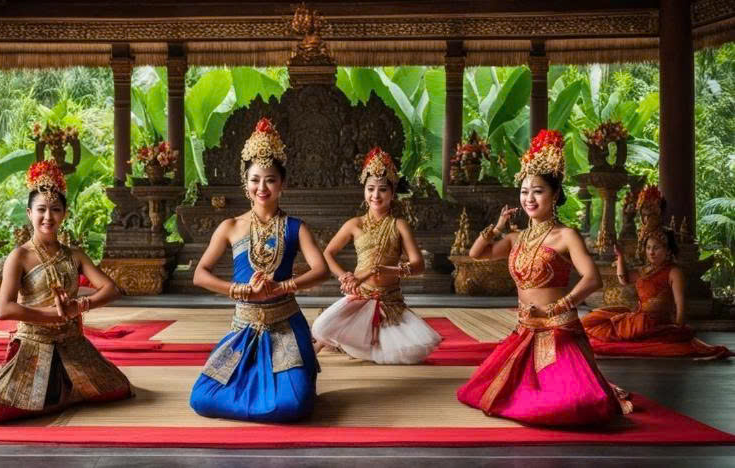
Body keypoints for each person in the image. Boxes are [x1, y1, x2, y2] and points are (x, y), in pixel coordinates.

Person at [457, 130, 631, 426]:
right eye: (524, 191)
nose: (529, 198)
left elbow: (592, 279)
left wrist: (560, 306)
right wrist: (497, 226)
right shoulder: (516, 237)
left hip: (558, 330)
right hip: (524, 328)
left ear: (555, 195)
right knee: (478, 392)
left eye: (538, 191)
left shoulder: (566, 236)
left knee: (572, 405)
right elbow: (477, 253)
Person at [189, 117, 328, 422]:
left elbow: (321, 270)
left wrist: (282, 287)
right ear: (245, 182)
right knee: (201, 399)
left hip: (286, 328)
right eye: (255, 179)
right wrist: (239, 290)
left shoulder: (295, 227)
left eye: (270, 179)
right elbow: (200, 274)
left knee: (295, 405)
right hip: (244, 328)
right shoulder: (230, 226)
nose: (261, 187)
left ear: (283, 184)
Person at [0, 160, 131, 423]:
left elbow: (111, 289)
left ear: (65, 214)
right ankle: (65, 395)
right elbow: (5, 309)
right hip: (34, 344)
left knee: (118, 390)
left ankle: (63, 394)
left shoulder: (75, 255)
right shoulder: (19, 256)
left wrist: (79, 306)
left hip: (72, 342)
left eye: (55, 209)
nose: (48, 217)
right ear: (29, 212)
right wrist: (51, 315)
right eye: (41, 209)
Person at [311, 147, 440, 364]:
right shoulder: (354, 224)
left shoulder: (399, 225)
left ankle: (350, 344)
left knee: (409, 353)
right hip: (360, 296)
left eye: (382, 190)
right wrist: (343, 276)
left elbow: (418, 265)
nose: (375, 195)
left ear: (392, 193)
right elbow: (328, 253)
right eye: (370, 189)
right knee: (321, 327)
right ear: (364, 190)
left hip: (389, 301)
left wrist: (389, 270)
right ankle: (338, 342)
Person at [582, 230, 731, 359]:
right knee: (593, 320)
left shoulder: (674, 271)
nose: (651, 252)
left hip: (653, 321)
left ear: (668, 251)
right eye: (648, 248)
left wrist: (679, 326)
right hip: (638, 317)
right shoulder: (645, 270)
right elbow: (624, 279)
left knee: (601, 332)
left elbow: (680, 303)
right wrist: (620, 257)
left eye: (656, 248)